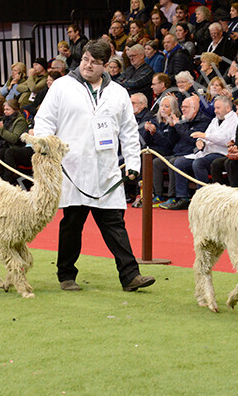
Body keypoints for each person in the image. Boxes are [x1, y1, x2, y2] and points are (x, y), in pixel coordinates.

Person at [33, 39, 154, 293]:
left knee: (114, 224)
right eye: (86, 59)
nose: (88, 65)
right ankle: (66, 275)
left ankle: (131, 275)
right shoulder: (63, 87)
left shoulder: (119, 93)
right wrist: (45, 149)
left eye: (95, 62)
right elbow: (44, 120)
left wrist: (132, 163)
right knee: (72, 224)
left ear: (106, 65)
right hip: (72, 168)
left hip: (106, 170)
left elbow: (129, 133)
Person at [165, 96, 238, 210]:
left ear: (228, 108)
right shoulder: (215, 120)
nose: (215, 111)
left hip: (221, 153)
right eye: (215, 108)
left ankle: (202, 197)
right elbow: (206, 134)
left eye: (218, 108)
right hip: (206, 152)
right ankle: (183, 197)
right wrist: (201, 141)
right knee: (179, 162)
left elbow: (226, 140)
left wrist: (205, 136)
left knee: (199, 163)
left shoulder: (235, 120)